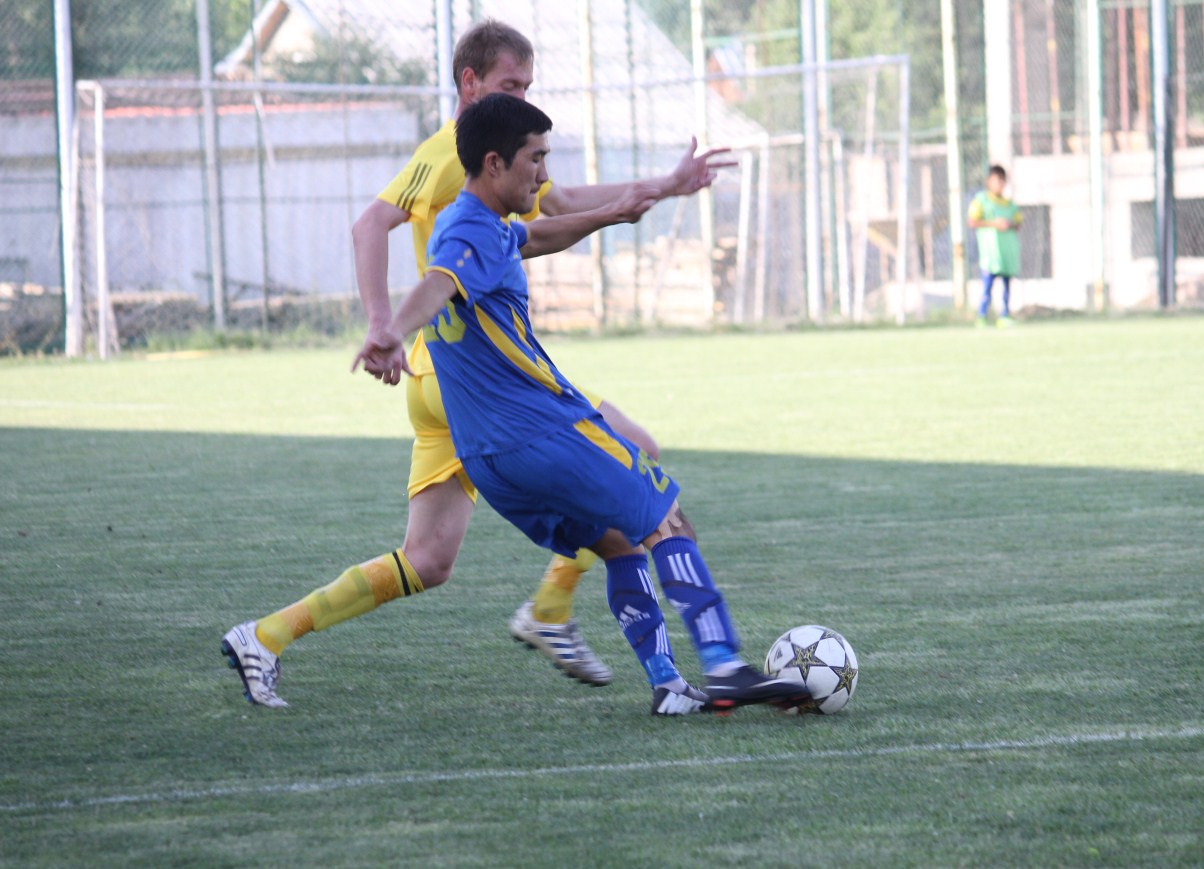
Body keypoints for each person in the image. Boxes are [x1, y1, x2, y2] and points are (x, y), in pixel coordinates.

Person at [221, 20, 731, 708]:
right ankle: (561, 612)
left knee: (428, 559)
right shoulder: (450, 155)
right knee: (633, 454)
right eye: (510, 85)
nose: (522, 97)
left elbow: (555, 208)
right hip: (465, 375)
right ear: (471, 83)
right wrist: (382, 325)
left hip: (435, 377)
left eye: (527, 85)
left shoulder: (501, 157)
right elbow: (371, 225)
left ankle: (266, 635)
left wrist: (659, 188)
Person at [354, 93, 811, 716]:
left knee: (618, 543)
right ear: (494, 163)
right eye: (535, 159)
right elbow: (436, 287)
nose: (544, 174)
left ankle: (669, 686)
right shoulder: (467, 233)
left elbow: (536, 236)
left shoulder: (476, 222)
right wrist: (388, 331)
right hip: (544, 431)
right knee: (667, 518)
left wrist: (614, 213)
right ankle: (725, 664)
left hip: (488, 460)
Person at [968, 164, 1022, 328]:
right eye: (996, 180)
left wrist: (1008, 224)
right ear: (989, 181)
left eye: (1002, 180)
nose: (999, 184)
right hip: (990, 253)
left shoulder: (1009, 204)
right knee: (987, 286)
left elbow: (1018, 223)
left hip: (1007, 252)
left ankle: (1004, 315)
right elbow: (972, 222)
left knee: (1006, 286)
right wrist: (994, 223)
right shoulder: (981, 200)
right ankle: (982, 316)